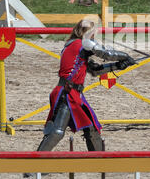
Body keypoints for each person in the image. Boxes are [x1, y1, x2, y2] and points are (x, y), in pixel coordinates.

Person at [28, 20, 135, 163]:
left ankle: (99, 162)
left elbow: (95, 70)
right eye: (93, 32)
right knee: (57, 132)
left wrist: (118, 66)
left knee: (91, 128)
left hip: (75, 94)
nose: (94, 35)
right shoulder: (80, 44)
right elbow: (106, 53)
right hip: (66, 93)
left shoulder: (77, 48)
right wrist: (125, 56)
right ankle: (35, 165)